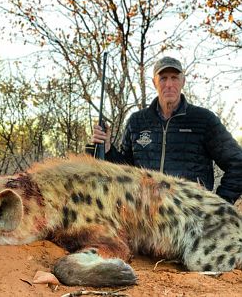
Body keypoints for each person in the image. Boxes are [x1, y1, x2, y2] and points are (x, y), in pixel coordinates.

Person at [90, 56, 242, 204]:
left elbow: (237, 163)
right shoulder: (136, 121)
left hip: (190, 219)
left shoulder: (204, 120)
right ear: (154, 82)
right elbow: (125, 171)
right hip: (144, 218)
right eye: (163, 78)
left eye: (174, 77)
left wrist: (220, 205)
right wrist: (108, 149)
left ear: (183, 81)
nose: (169, 84)